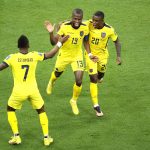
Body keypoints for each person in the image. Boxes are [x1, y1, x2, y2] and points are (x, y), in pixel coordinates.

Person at [0, 34, 69, 145]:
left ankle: (16, 136)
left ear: (18, 46)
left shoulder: (12, 57)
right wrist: (60, 42)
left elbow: (0, 67)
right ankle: (46, 138)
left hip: (18, 92)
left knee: (10, 109)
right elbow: (50, 55)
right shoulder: (34, 55)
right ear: (28, 45)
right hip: (33, 90)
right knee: (41, 110)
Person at [44, 8, 97, 115]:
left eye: (79, 19)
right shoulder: (65, 26)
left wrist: (90, 54)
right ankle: (52, 81)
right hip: (64, 55)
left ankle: (73, 101)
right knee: (57, 73)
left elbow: (86, 41)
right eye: (75, 18)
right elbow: (53, 42)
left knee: (79, 80)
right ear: (71, 17)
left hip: (77, 56)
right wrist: (51, 33)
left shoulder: (84, 27)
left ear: (82, 19)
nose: (77, 21)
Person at [84, 11, 121, 116]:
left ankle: (100, 77)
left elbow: (117, 41)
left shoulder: (109, 29)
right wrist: (63, 23)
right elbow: (78, 21)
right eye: (93, 20)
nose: (93, 22)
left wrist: (118, 56)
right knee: (93, 78)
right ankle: (96, 105)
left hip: (103, 56)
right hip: (90, 55)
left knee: (100, 75)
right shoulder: (89, 24)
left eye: (96, 21)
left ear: (102, 21)